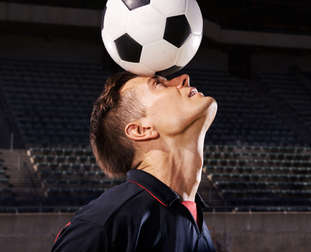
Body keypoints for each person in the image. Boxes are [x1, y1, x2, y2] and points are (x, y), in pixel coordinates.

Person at [51, 71, 218, 252]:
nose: (183, 78)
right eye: (158, 84)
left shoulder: (193, 218)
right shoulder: (102, 225)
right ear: (141, 130)